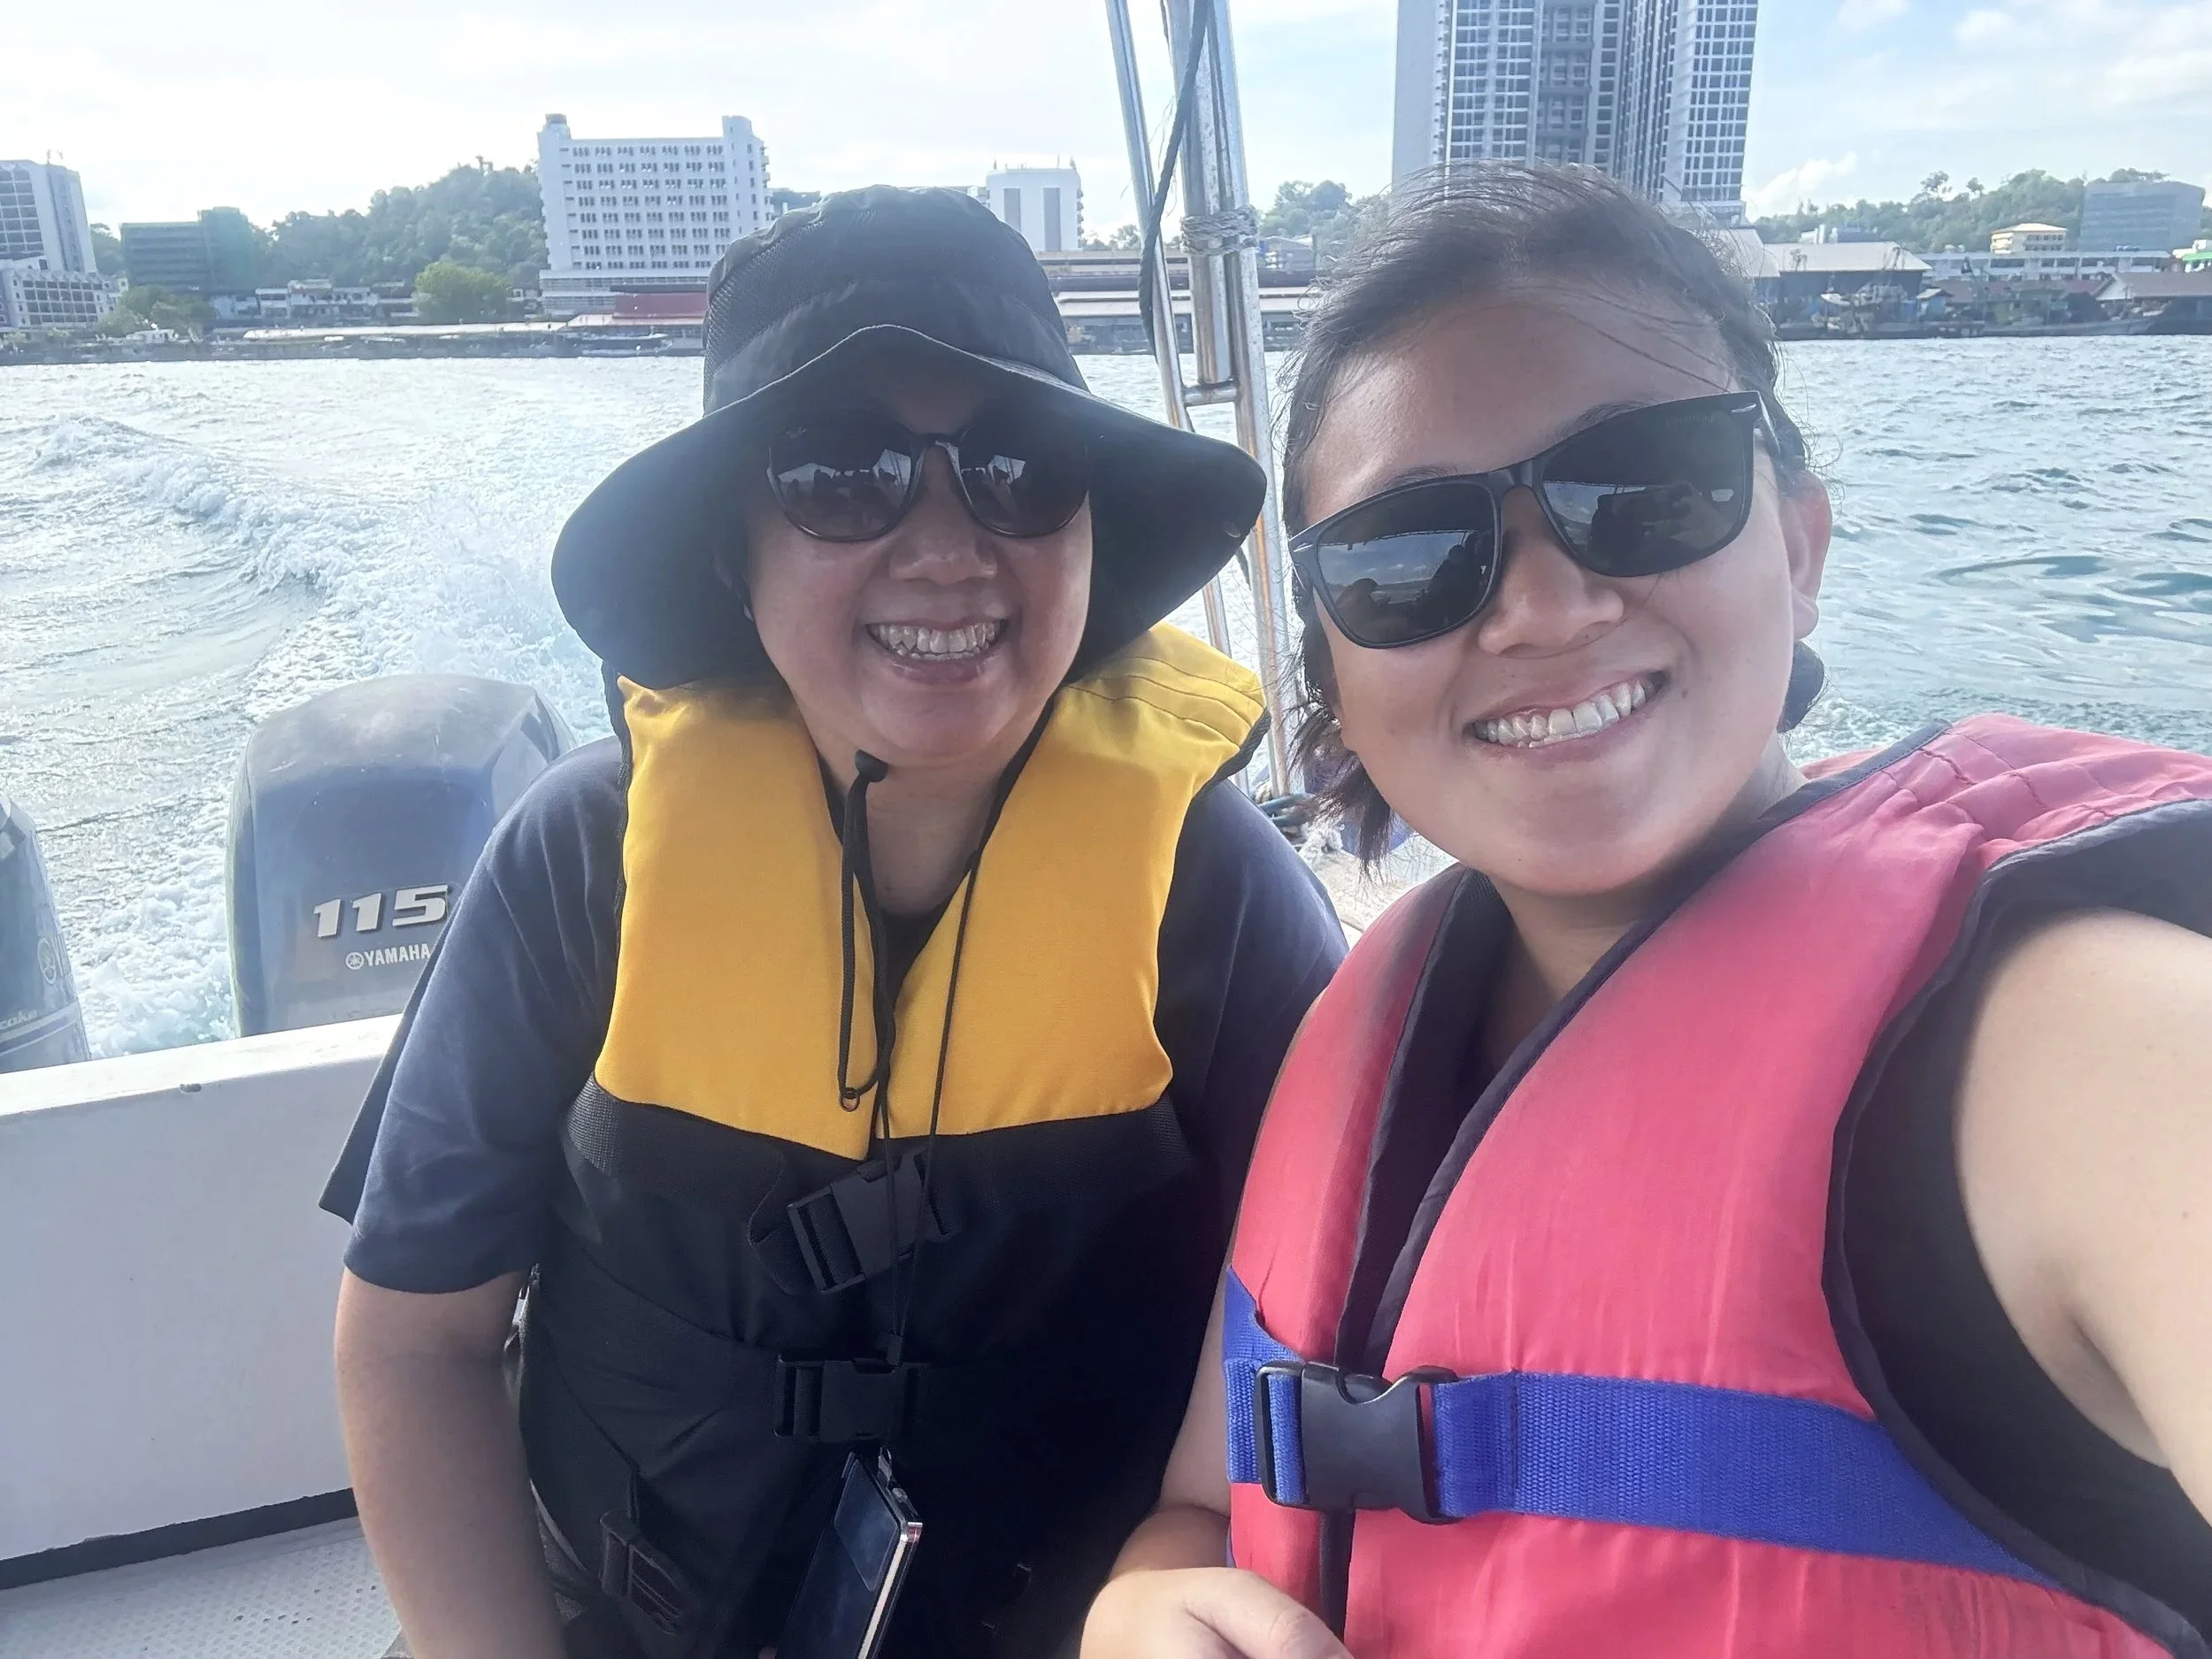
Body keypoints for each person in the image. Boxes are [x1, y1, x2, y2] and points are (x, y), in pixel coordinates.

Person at [1083, 166, 2212, 1659]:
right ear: (1339, 671)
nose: (1545, 606)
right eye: (1411, 558)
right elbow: (1206, 1501)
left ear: (1799, 545)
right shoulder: (1364, 1022)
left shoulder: (2090, 1047)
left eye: (1646, 486)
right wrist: (1142, 1600)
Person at [320, 186, 1345, 1659]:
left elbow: (1317, 1337)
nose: (946, 549)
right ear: (735, 556)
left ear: (1087, 533)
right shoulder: (581, 863)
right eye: (842, 472)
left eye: (1017, 464)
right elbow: (418, 1342)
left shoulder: (1221, 891)